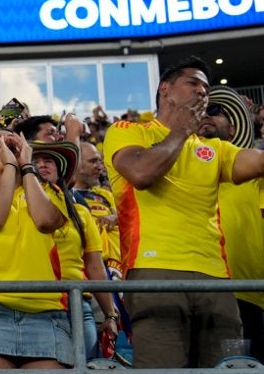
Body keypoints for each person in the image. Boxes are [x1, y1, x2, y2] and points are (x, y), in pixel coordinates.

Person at [103, 56, 264, 368]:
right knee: (163, 367)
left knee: (228, 367)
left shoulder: (215, 149)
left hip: (217, 280)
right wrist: (180, 132)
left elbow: (257, 162)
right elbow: (141, 173)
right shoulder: (127, 131)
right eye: (193, 83)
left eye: (206, 87)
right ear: (166, 89)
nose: (203, 92)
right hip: (154, 272)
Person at [0, 128, 71, 369]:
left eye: (12, 139)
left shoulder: (50, 190)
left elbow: (45, 221)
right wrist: (9, 168)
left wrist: (26, 165)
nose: (6, 143)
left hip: (45, 311)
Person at [32, 142, 118, 360]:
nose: (42, 165)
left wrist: (110, 314)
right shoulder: (16, 204)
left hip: (78, 304)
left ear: (61, 168)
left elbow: (95, 266)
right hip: (35, 303)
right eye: (36, 161)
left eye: (49, 160)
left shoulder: (81, 212)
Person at [201, 85, 264, 361]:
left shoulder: (256, 172)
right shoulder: (179, 172)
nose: (204, 116)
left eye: (214, 111)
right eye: (199, 111)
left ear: (234, 128)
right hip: (199, 293)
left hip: (249, 294)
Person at [72, 142, 120, 272]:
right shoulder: (61, 194)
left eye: (100, 162)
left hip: (114, 266)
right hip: (81, 264)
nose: (100, 167)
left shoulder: (106, 195)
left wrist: (114, 217)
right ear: (76, 163)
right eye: (93, 161)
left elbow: (124, 217)